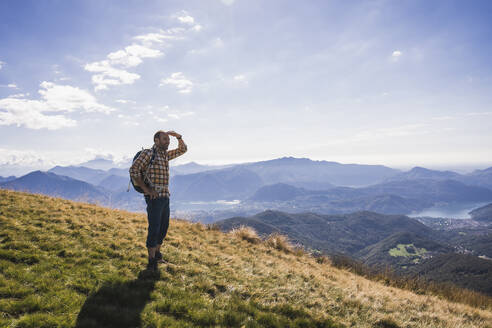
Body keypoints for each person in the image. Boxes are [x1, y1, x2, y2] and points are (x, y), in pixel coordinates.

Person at [129, 130, 187, 271]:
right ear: (156, 140)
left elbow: (183, 149)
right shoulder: (149, 154)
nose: (167, 141)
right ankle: (151, 261)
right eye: (164, 139)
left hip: (165, 196)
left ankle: (157, 254)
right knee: (154, 228)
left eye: (168, 139)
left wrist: (178, 137)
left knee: (163, 227)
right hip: (154, 198)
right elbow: (134, 170)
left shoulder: (165, 155)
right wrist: (147, 190)